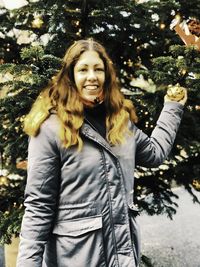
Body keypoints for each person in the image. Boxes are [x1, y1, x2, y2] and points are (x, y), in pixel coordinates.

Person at [16, 38, 187, 267]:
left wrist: (172, 107)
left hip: (122, 257)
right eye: (83, 69)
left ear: (106, 75)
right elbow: (39, 206)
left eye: (98, 69)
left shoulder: (120, 122)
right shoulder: (50, 129)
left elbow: (155, 154)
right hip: (76, 258)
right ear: (70, 76)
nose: (92, 77)